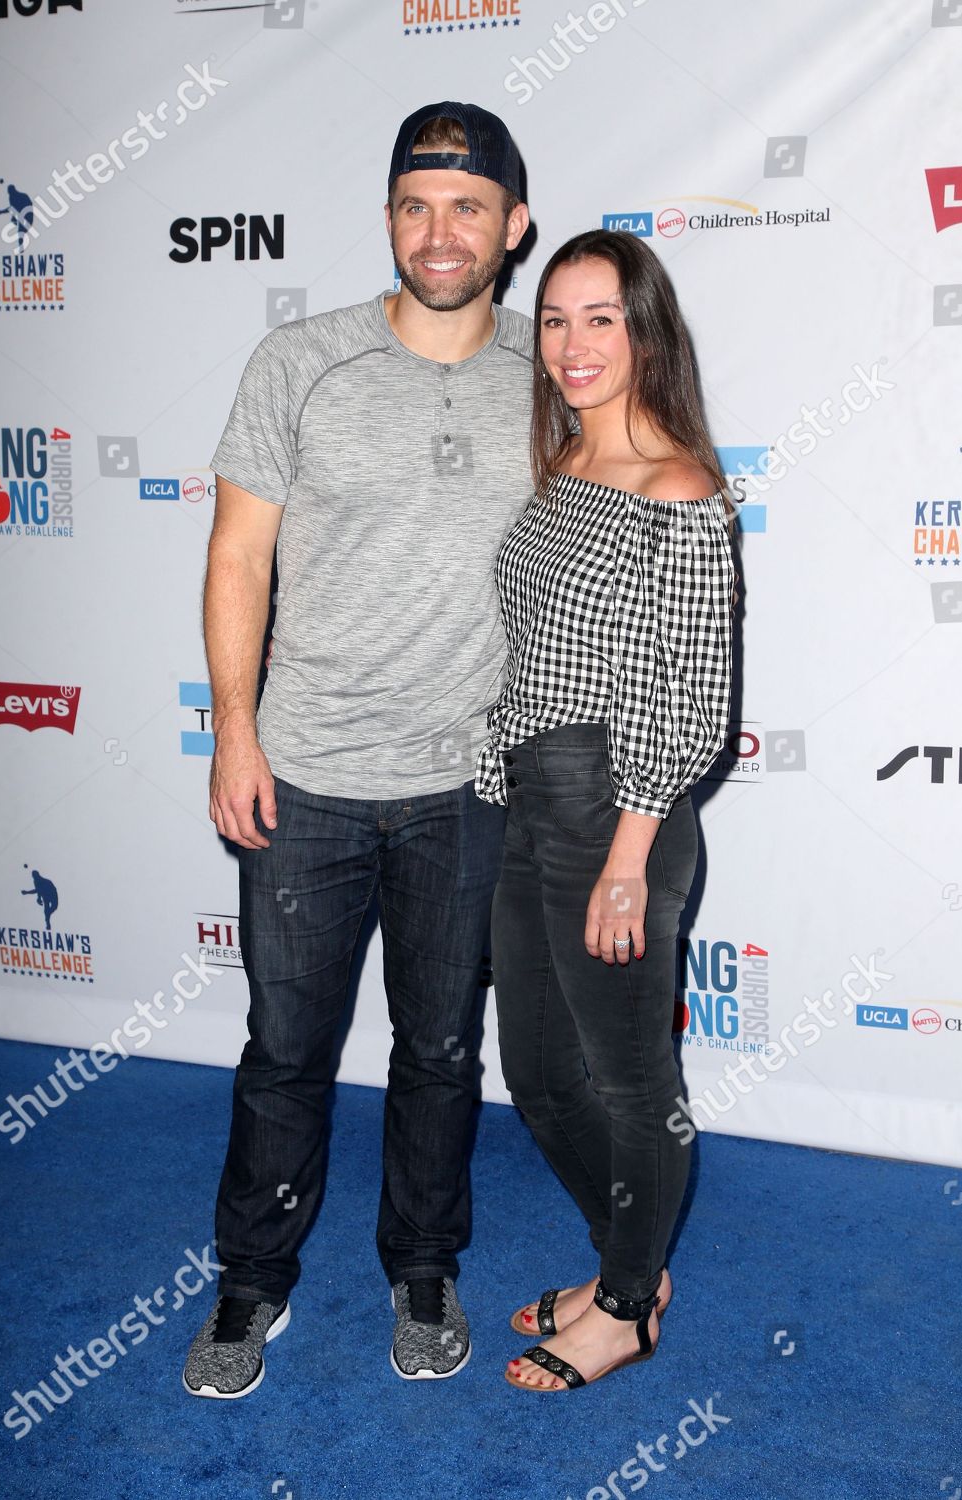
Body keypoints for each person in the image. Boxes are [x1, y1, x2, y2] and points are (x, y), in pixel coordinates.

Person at [182, 102, 533, 1398]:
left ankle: (423, 1268)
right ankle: (251, 1280)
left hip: (469, 784)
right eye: (415, 205)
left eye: (467, 207)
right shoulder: (302, 361)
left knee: (439, 1050)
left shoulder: (555, 372)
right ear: (388, 217)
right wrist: (234, 729)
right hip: (309, 775)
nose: (439, 233)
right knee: (286, 1051)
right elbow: (238, 554)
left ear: (514, 225)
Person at [474, 229, 736, 1392]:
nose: (572, 344)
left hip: (617, 809)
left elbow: (695, 699)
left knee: (634, 1085)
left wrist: (629, 855)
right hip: (535, 801)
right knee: (538, 1075)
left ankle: (627, 1307)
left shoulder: (678, 487)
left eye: (601, 319)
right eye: (554, 319)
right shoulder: (567, 464)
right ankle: (627, 1262)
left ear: (646, 333)